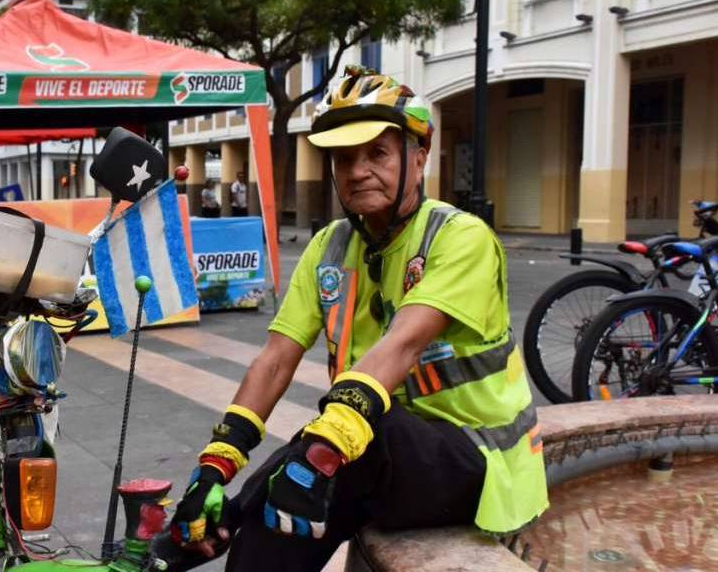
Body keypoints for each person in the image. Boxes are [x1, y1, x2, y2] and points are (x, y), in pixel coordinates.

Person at [168, 67, 547, 572]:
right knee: (271, 530)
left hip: (480, 462)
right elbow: (276, 360)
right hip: (375, 456)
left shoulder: (460, 238)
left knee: (342, 440)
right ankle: (216, 525)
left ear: (419, 157)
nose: (357, 171)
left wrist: (319, 455)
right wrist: (216, 463)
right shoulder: (328, 247)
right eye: (344, 158)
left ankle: (228, 518)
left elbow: (404, 344)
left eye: (377, 153)